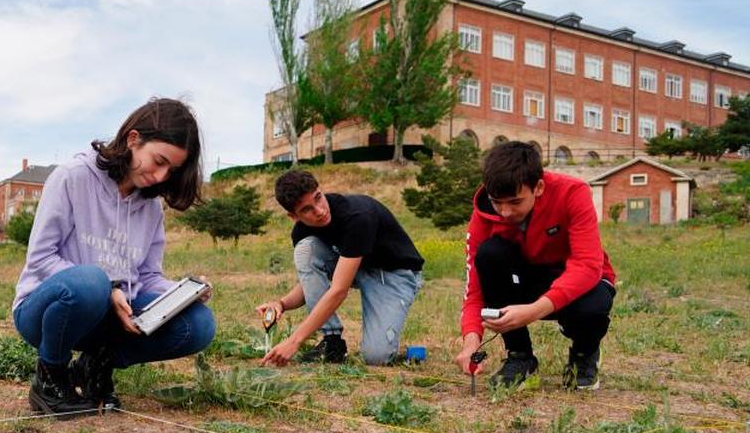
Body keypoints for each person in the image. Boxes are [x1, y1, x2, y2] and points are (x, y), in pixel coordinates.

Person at [13, 98, 216, 418]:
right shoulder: (72, 177)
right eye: (159, 160)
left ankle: (95, 366)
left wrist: (181, 294)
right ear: (133, 140)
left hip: (108, 322)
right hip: (47, 311)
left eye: (172, 169)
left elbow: (147, 275)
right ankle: (50, 378)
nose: (162, 176)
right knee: (91, 281)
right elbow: (41, 257)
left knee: (198, 325)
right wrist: (108, 287)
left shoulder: (150, 207)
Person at [454, 141, 616, 390]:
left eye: (515, 202)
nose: (505, 212)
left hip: (580, 283)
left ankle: (584, 355)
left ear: (538, 187)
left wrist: (533, 311)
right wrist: (471, 342)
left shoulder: (573, 193)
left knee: (592, 307)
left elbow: (587, 265)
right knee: (489, 254)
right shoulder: (484, 213)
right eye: (498, 202)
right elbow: (474, 288)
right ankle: (520, 357)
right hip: (528, 280)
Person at [259, 169, 424, 366]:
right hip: (355, 267)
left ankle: (396, 346)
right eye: (306, 209)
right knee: (306, 250)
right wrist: (282, 304)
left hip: (393, 275)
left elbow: (338, 290)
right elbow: (311, 283)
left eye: (318, 198)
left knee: (376, 357)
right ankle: (332, 343)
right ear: (293, 216)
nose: (319, 211)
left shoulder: (357, 216)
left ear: (321, 190)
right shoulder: (302, 232)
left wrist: (294, 341)